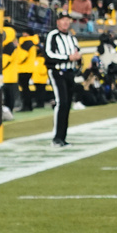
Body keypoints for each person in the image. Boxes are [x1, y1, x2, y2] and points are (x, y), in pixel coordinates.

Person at [44, 10, 81, 147]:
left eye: (67, 19)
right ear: (57, 22)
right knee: (62, 103)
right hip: (57, 71)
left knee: (67, 104)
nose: (65, 22)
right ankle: (57, 137)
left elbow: (77, 51)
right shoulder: (52, 36)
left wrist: (78, 59)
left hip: (69, 72)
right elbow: (48, 54)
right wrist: (68, 58)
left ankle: (62, 137)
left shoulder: (71, 37)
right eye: (63, 20)